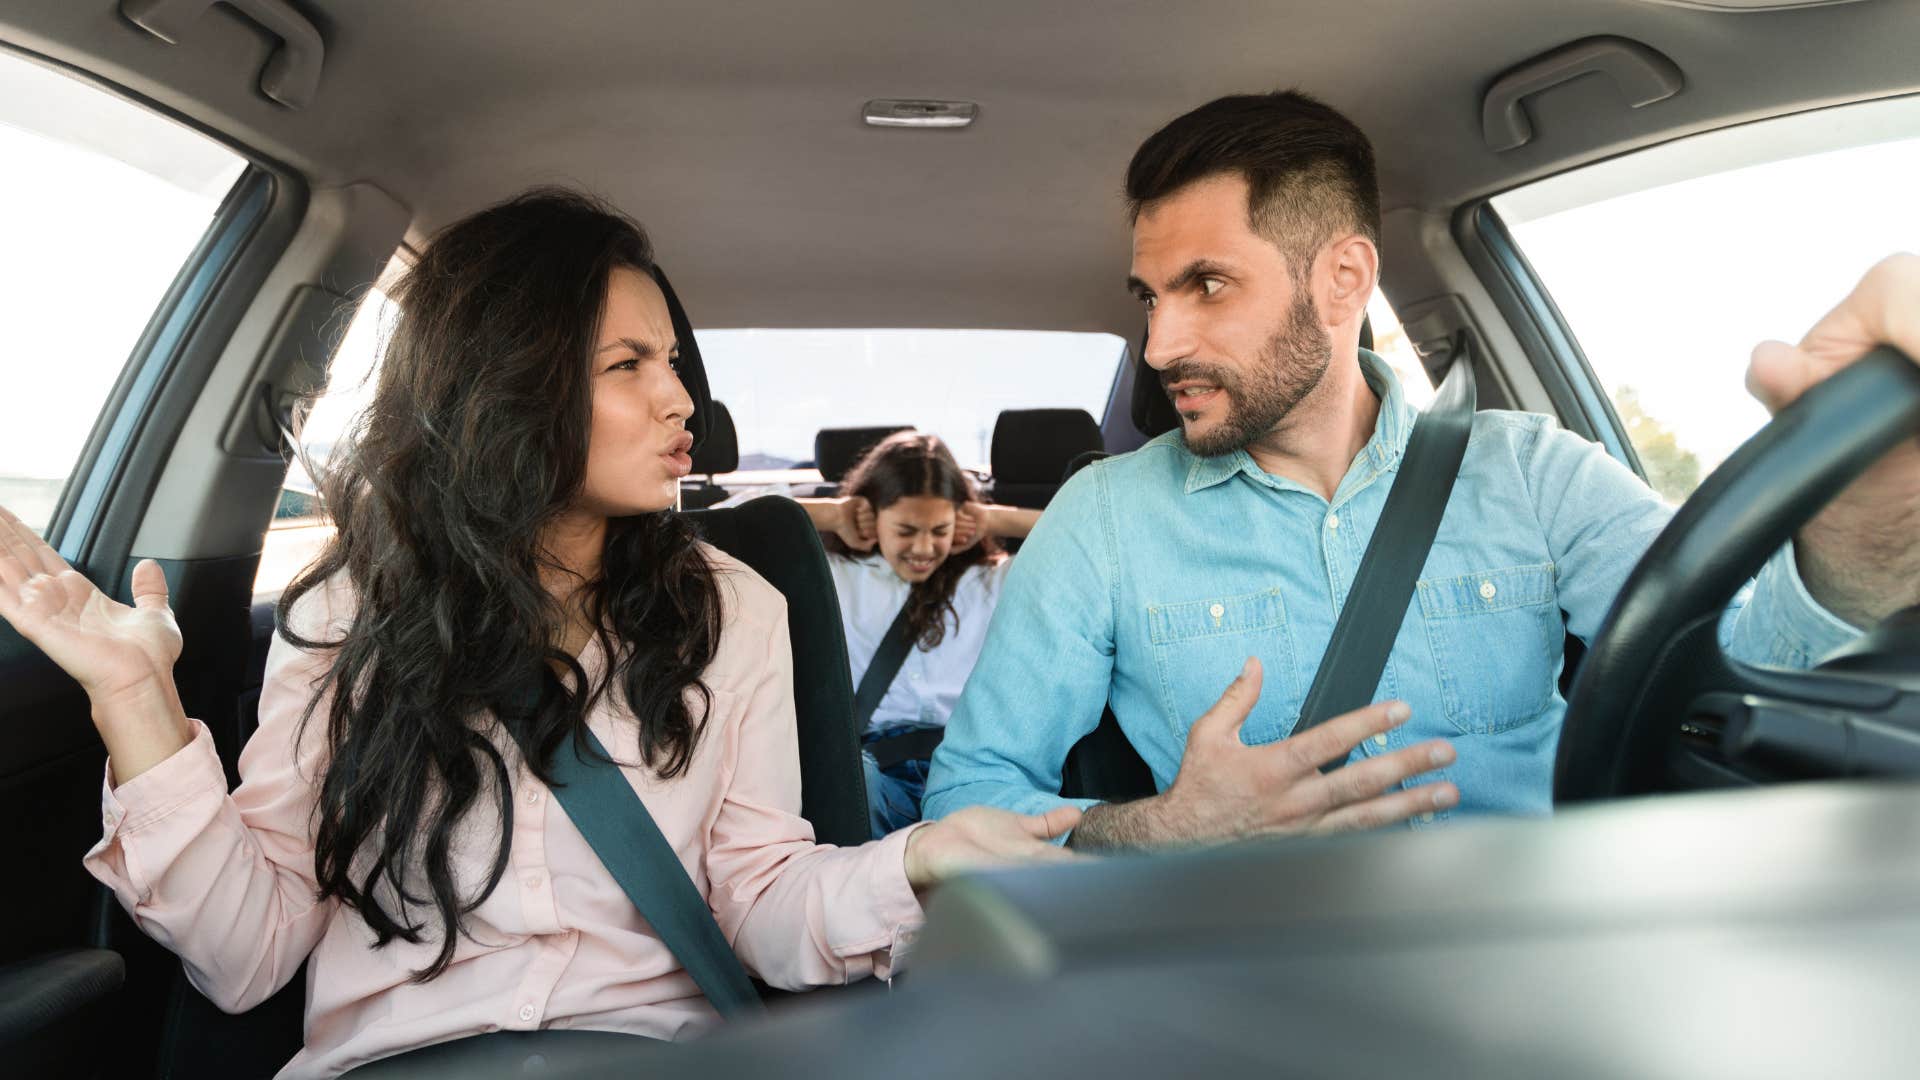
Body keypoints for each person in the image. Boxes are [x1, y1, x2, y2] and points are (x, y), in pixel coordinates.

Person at [0, 189, 1077, 1079]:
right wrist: (136, 702)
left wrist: (920, 857)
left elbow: (764, 906)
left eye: (673, 360)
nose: (680, 399)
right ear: (508, 386)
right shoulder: (344, 613)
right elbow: (243, 960)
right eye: (629, 366)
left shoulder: (736, 608)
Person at [922, 90, 1920, 850]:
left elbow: (1751, 683)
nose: (1160, 344)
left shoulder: (1533, 475)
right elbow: (968, 794)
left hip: (1540, 970)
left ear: (1344, 278)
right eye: (1150, 298)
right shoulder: (1104, 519)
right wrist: (1159, 831)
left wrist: (1865, 510)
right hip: (1250, 986)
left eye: (1207, 286)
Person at [798, 432, 1040, 836]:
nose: (924, 547)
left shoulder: (990, 581)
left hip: (964, 762)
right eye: (906, 530)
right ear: (872, 518)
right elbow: (719, 521)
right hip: (872, 765)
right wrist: (834, 515)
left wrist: (994, 519)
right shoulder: (836, 575)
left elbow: (1094, 540)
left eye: (939, 530)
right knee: (852, 782)